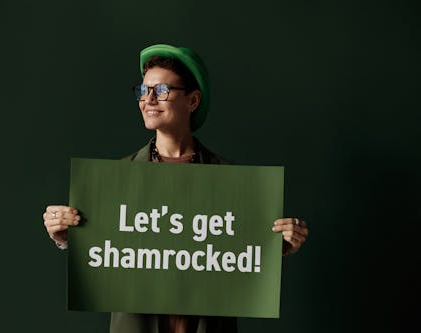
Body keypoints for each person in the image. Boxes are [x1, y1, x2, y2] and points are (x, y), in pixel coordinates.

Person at [43, 44, 309, 333]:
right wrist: (66, 237)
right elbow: (106, 253)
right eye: (144, 91)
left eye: (161, 91)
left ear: (192, 100)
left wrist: (276, 245)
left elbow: (239, 257)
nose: (149, 100)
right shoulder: (116, 179)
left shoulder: (232, 181)